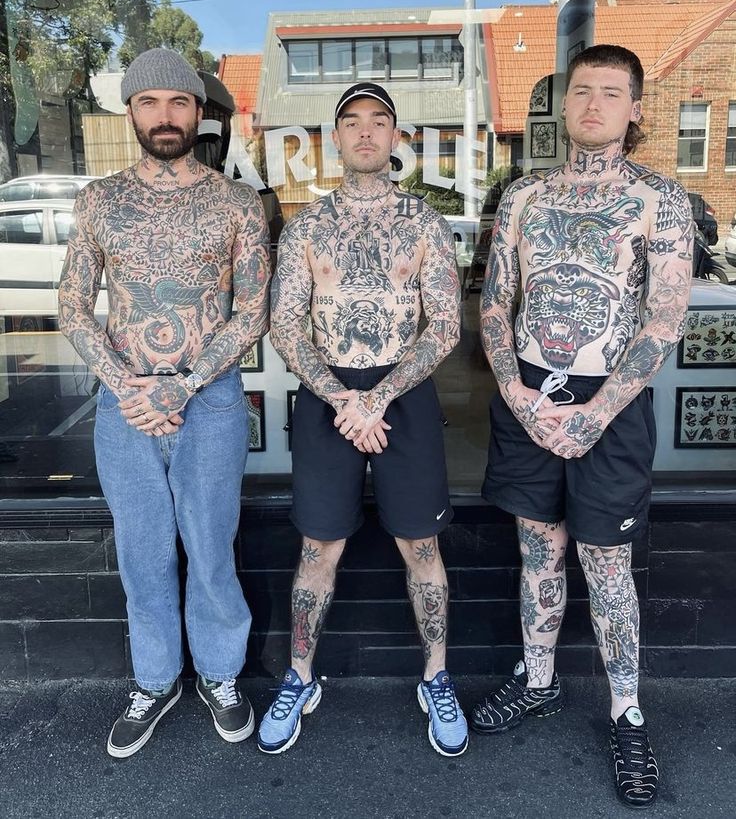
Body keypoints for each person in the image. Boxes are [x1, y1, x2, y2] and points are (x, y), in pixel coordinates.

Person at [472, 45, 692, 809]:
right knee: (539, 549)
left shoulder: (659, 200)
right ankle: (537, 679)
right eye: (581, 91)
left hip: (612, 403)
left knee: (607, 564)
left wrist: (596, 412)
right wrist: (515, 390)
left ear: (635, 110)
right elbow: (496, 304)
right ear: (564, 106)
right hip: (528, 395)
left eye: (611, 93)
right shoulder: (525, 197)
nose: (593, 104)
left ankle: (627, 712)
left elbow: (663, 320)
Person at [58, 48, 270, 758]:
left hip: (208, 401)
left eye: (178, 102)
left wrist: (182, 384)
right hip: (125, 407)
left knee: (211, 549)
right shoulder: (99, 202)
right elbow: (71, 306)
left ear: (199, 110)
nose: (165, 116)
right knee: (142, 553)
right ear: (131, 113)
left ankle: (219, 672)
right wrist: (130, 388)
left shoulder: (236, 202)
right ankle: (155, 679)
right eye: (149, 103)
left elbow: (252, 313)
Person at [259, 82, 467, 757]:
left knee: (422, 547)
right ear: (337, 139)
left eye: (380, 120)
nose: (367, 132)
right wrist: (344, 397)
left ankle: (436, 675)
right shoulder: (308, 227)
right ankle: (299, 674)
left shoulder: (425, 223)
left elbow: (445, 326)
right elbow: (286, 326)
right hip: (329, 399)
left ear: (396, 136)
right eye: (353, 121)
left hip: (403, 393)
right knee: (317, 549)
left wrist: (381, 394)